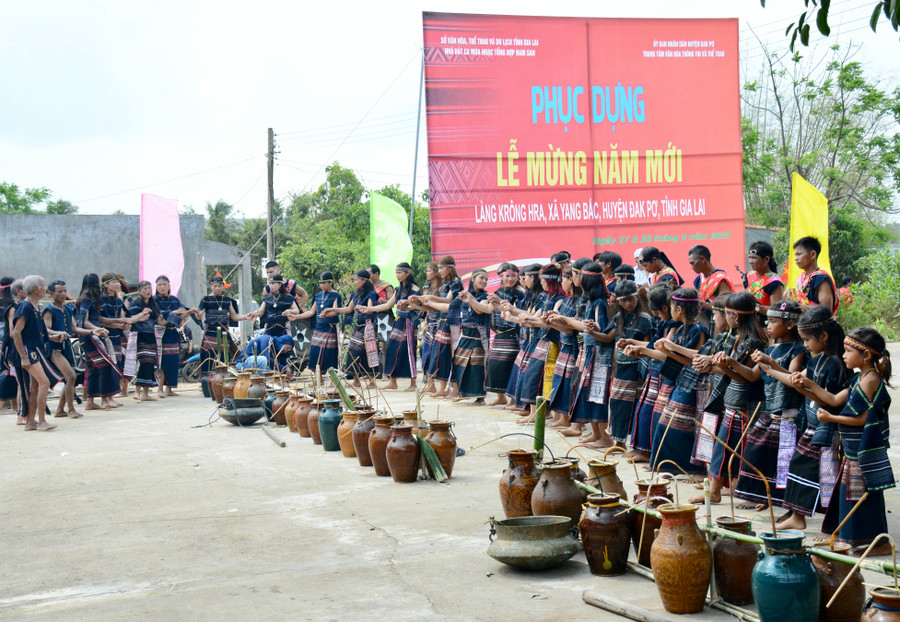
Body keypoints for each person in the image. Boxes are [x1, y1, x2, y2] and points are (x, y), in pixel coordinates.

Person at [792, 326, 893, 553]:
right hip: (852, 450)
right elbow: (833, 398)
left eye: (848, 351)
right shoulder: (858, 378)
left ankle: (879, 543)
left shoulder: (870, 380)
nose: (844, 355)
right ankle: (851, 538)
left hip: (863, 449)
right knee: (851, 495)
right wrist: (807, 386)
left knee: (864, 497)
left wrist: (830, 418)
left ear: (865, 355)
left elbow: (865, 418)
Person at [758, 306, 847, 532]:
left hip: (825, 426)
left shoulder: (836, 364)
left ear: (824, 337)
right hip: (811, 424)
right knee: (798, 465)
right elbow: (795, 379)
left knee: (817, 471)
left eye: (807, 339)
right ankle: (798, 516)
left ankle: (822, 521)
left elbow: (826, 396)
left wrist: (770, 370)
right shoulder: (817, 361)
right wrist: (772, 365)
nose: (805, 344)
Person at [690, 291, 767, 504]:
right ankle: (717, 490)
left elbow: (746, 378)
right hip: (732, 399)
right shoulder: (737, 338)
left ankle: (728, 490)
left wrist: (726, 365)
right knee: (723, 448)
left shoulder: (754, 343)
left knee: (733, 450)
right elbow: (732, 373)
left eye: (728, 313)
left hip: (744, 402)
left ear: (736, 316)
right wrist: (714, 365)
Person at [733, 301, 806, 511]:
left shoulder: (798, 349)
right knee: (756, 450)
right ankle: (762, 495)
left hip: (787, 410)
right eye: (768, 321)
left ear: (790, 324)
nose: (768, 325)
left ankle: (779, 500)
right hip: (769, 407)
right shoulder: (771, 348)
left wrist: (770, 363)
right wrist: (730, 362)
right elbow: (753, 375)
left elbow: (791, 376)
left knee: (783, 457)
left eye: (773, 321)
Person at [632, 288, 709, 472]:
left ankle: (690, 468)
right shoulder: (683, 328)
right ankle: (664, 465)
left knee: (678, 426)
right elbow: (683, 361)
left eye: (673, 307)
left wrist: (672, 348)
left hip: (694, 385)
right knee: (664, 422)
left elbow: (698, 357)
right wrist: (666, 351)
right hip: (682, 381)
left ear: (679, 309)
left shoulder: (699, 329)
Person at [559, 262, 613, 445]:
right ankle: (596, 433)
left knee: (597, 394)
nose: (576, 279)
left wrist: (565, 320)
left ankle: (605, 437)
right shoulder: (591, 301)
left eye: (579, 276)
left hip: (598, 352)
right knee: (585, 392)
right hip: (588, 349)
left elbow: (598, 327)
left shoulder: (600, 303)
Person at [511, 263, 566, 423]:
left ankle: (539, 414)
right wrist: (517, 318)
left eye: (542, 279)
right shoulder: (549, 297)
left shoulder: (560, 300)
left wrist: (527, 320)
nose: (540, 282)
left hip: (551, 343)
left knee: (538, 378)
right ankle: (534, 413)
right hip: (542, 341)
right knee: (532, 376)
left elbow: (546, 322)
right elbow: (537, 317)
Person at [10, 275, 62, 431]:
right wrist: (23, 357)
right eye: (43, 285)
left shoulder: (35, 306)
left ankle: (30, 422)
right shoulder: (25, 307)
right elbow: (17, 333)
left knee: (34, 387)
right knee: (44, 382)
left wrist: (53, 336)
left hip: (35, 349)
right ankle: (41, 421)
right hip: (29, 351)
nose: (45, 288)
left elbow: (33, 331)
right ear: (36, 289)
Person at [361, 263, 421, 391]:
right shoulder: (398, 289)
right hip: (399, 321)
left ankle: (413, 383)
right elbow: (388, 305)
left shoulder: (415, 289)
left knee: (409, 351)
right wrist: (369, 309)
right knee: (390, 348)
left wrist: (406, 306)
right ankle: (392, 381)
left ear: (407, 273)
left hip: (409, 322)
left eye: (399, 273)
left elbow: (417, 308)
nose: (397, 275)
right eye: (396, 273)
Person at [79, 274, 131, 410]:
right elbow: (85, 322)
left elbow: (101, 320)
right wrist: (97, 330)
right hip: (89, 336)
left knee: (94, 368)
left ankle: (90, 401)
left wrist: (119, 324)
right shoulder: (86, 299)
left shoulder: (92, 299)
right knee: (104, 366)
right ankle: (104, 400)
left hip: (96, 335)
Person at [414, 256, 463, 398]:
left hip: (452, 322)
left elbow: (448, 301)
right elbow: (435, 307)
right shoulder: (445, 283)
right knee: (440, 355)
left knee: (451, 355)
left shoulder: (456, 283)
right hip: (443, 321)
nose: (439, 271)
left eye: (442, 268)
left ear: (450, 268)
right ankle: (442, 388)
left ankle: (455, 389)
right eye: (439, 268)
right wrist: (418, 302)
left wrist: (429, 298)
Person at [323, 269, 380, 386]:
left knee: (369, 353)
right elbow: (348, 309)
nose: (354, 282)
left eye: (356, 280)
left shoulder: (371, 294)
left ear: (364, 281)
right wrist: (333, 309)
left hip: (368, 326)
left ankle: (372, 381)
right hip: (358, 326)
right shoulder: (355, 294)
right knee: (353, 353)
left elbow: (369, 309)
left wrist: (361, 307)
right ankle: (356, 380)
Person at [285, 271, 343, 377]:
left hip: (330, 328)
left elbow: (335, 311)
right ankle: (318, 378)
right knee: (316, 352)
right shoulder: (318, 296)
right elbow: (311, 312)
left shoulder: (336, 295)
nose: (321, 285)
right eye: (320, 283)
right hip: (319, 328)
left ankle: (332, 379)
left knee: (330, 353)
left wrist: (326, 314)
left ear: (331, 282)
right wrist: (296, 317)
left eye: (324, 283)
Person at [483, 263, 525, 406]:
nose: (511, 279)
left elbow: (513, 312)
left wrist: (498, 303)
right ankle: (501, 397)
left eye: (513, 276)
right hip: (500, 334)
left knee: (510, 366)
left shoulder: (521, 293)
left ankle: (513, 399)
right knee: (495, 365)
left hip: (513, 334)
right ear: (501, 276)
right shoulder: (499, 291)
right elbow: (490, 309)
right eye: (507, 276)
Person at [43, 280, 86, 418]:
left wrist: (93, 332)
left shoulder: (67, 309)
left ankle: (60, 410)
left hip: (66, 346)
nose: (63, 294)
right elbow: (45, 330)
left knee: (70, 378)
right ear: (51, 294)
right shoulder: (49, 310)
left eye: (64, 291)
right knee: (71, 376)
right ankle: (71, 409)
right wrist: (57, 334)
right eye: (60, 292)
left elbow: (74, 328)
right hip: (54, 348)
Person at [194, 275, 248, 376]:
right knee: (207, 356)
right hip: (210, 332)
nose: (217, 288)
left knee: (224, 356)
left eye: (219, 286)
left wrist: (246, 317)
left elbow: (234, 316)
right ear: (211, 286)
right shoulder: (206, 300)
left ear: (223, 287)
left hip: (223, 332)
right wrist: (198, 314)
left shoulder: (228, 301)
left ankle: (222, 379)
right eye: (215, 286)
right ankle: (206, 380)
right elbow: (198, 316)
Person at [452, 269, 491, 403]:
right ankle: (461, 393)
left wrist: (471, 299)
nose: (484, 281)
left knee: (477, 365)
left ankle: (480, 398)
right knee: (458, 362)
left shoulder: (486, 297)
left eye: (486, 279)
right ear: (473, 278)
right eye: (482, 278)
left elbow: (480, 310)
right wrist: (426, 303)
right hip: (466, 334)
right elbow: (449, 307)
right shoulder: (463, 295)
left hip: (478, 335)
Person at [129, 281, 171, 401]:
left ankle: (145, 393)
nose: (148, 291)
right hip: (140, 335)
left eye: (149, 288)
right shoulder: (135, 304)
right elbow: (130, 318)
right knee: (144, 363)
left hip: (151, 336)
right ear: (139, 291)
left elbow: (160, 322)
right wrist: (142, 314)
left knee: (150, 363)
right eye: (145, 288)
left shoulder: (153, 304)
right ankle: (138, 391)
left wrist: (173, 318)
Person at [153, 275, 191, 396]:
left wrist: (189, 313)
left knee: (173, 361)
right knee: (162, 362)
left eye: (164, 284)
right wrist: (173, 313)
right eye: (160, 285)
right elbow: (159, 315)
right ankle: (159, 389)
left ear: (169, 286)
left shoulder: (174, 300)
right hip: (160, 334)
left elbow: (180, 315)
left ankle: (170, 389)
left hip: (173, 333)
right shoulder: (154, 300)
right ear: (157, 287)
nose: (162, 287)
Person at [793, 236, 838, 314]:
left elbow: (826, 309)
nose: (796, 258)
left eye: (799, 254)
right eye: (795, 255)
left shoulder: (820, 278)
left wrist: (798, 307)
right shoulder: (802, 279)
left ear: (813, 254)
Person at [688, 245, 733, 318]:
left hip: (719, 322)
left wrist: (705, 305)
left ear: (702, 259)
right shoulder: (698, 280)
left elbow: (725, 306)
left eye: (692, 263)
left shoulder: (720, 279)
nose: (692, 267)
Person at [745, 241, 785, 323]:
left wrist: (755, 307)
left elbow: (776, 311)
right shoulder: (748, 276)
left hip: (764, 327)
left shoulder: (775, 282)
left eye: (754, 258)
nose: (751, 261)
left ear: (766, 259)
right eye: (750, 257)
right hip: (747, 325)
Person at [0, 277, 20, 416]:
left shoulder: (8, 304)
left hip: (4, 341)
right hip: (5, 342)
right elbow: (12, 329)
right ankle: (2, 408)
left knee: (11, 374)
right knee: (7, 374)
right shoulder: (12, 305)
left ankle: (14, 406)